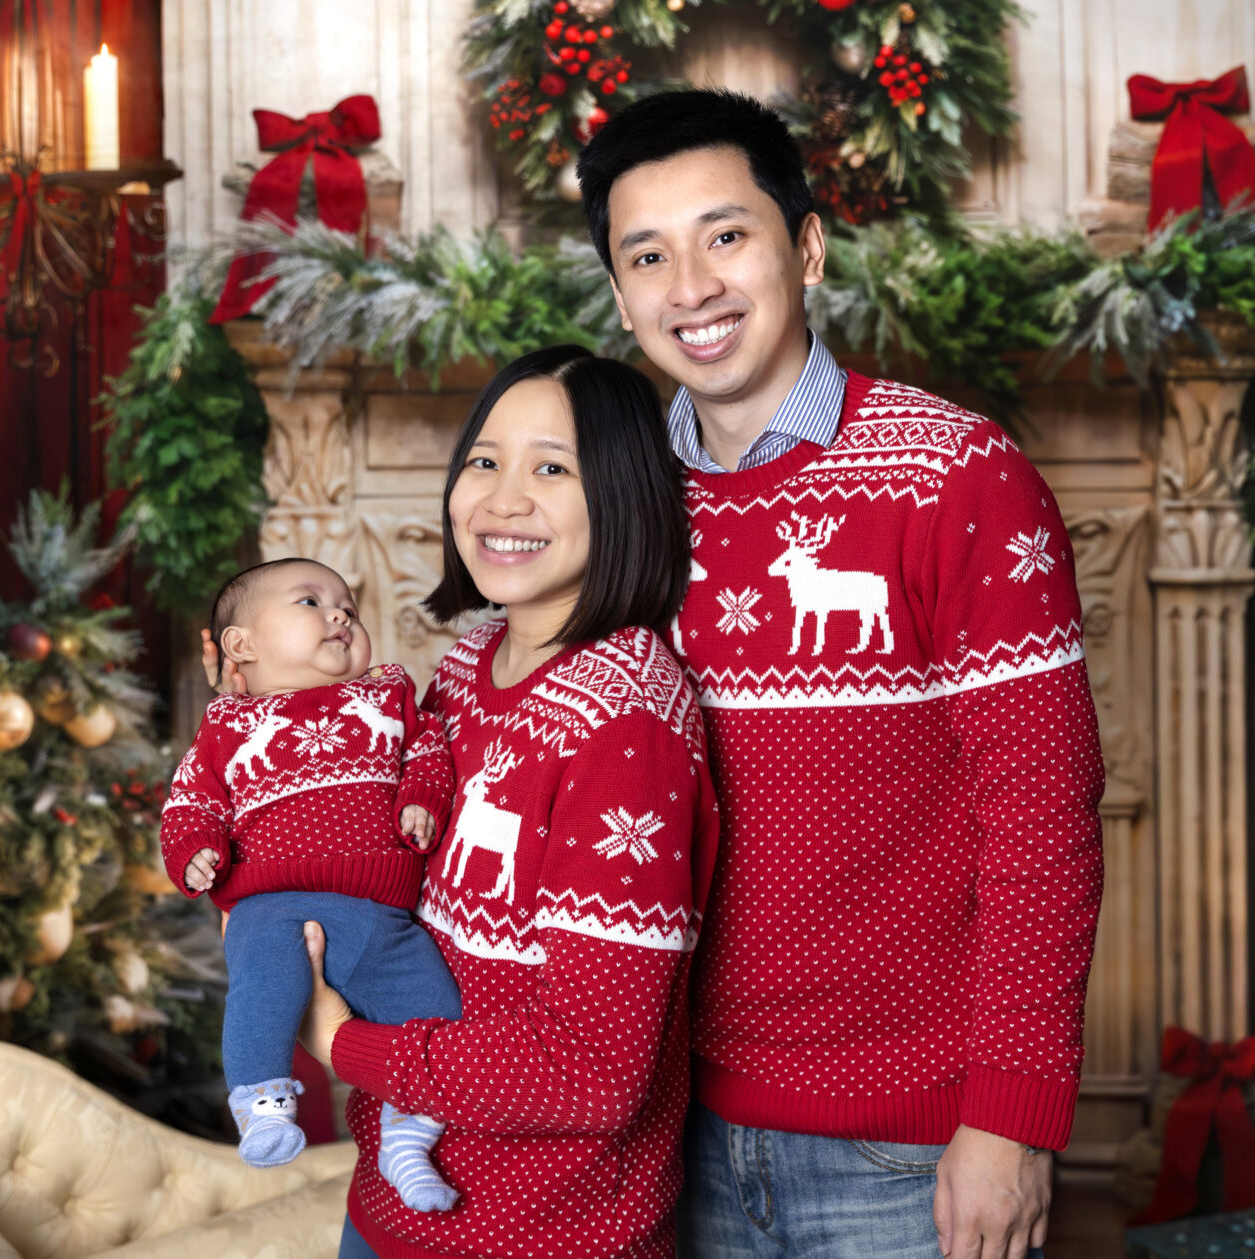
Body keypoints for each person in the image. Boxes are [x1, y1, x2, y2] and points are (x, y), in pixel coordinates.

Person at [573, 89, 1107, 1259]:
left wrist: (1008, 1123)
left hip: (903, 1153)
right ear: (620, 293)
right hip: (668, 1134)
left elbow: (1043, 817)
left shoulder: (956, 475)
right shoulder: (614, 510)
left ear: (805, 247)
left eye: (726, 236)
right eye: (648, 255)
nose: (691, 288)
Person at [210, 345, 720, 1258]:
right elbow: (365, 851)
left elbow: (596, 1073)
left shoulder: (626, 725)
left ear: (625, 495)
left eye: (552, 468)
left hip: (540, 1234)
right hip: (389, 1205)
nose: (503, 499)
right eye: (483, 460)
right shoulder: (464, 668)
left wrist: (343, 1046)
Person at [160, 558, 463, 1210]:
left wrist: (422, 799)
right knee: (263, 990)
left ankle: (408, 1137)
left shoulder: (388, 692)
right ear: (243, 645)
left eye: (348, 606)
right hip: (273, 902)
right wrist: (194, 851)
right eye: (311, 601)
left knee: (437, 1008)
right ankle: (263, 1100)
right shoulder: (227, 726)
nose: (340, 614)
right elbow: (191, 802)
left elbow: (430, 750)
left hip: (385, 917)